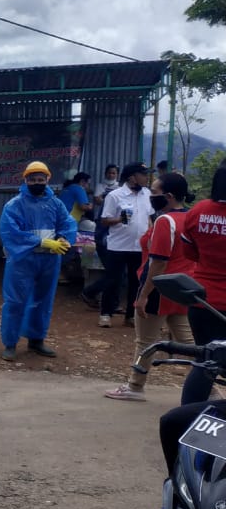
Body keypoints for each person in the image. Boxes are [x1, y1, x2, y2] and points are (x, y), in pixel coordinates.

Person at [157, 163, 226, 475]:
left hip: (204, 301)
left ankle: (191, 432)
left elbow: (194, 255)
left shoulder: (199, 212)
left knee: (205, 363)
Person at [104, 173, 195, 401]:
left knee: (145, 342)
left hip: (159, 289)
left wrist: (143, 295)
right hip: (182, 289)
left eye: (154, 192)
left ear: (169, 196)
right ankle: (211, 391)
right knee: (191, 345)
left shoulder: (166, 221)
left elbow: (158, 262)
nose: (151, 196)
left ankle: (135, 386)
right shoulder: (190, 218)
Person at [0, 161, 77, 361]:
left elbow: (67, 223)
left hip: (49, 260)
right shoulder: (14, 205)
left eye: (40, 179)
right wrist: (41, 241)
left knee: (43, 300)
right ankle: (10, 343)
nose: (36, 182)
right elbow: (10, 232)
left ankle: (36, 340)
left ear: (48, 180)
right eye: (32, 179)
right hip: (23, 259)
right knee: (15, 301)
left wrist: (64, 239)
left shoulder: (55, 203)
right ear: (25, 180)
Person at [96, 162, 153, 328]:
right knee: (113, 280)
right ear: (132, 177)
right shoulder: (115, 195)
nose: (146, 177)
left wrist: (150, 234)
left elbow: (149, 217)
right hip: (118, 246)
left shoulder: (147, 194)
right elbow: (105, 220)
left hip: (139, 247)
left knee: (136, 282)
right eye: (143, 174)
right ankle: (106, 314)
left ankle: (130, 315)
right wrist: (120, 219)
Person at [81, 164, 122, 309]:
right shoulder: (105, 188)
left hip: (115, 233)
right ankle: (93, 294)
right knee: (115, 274)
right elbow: (98, 201)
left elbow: (100, 199)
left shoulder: (119, 188)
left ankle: (111, 303)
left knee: (117, 273)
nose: (111, 175)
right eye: (109, 173)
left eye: (114, 173)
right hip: (106, 231)